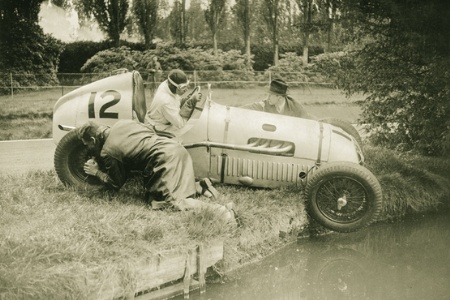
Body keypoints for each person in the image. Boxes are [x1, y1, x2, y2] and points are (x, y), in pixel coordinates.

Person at [78, 119, 236, 224]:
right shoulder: (122, 123)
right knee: (162, 192)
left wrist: (96, 172)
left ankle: (222, 212)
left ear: (93, 140)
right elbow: (147, 131)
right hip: (176, 149)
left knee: (169, 203)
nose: (88, 149)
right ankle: (200, 186)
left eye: (87, 145)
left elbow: (115, 183)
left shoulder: (108, 151)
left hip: (164, 160)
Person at [144, 69, 200, 135]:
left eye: (186, 85)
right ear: (176, 87)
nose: (187, 89)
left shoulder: (166, 85)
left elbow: (176, 101)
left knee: (195, 124)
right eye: (183, 87)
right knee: (192, 132)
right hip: (157, 129)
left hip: (161, 122)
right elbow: (181, 124)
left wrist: (187, 99)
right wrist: (190, 103)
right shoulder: (166, 101)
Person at [241, 78, 317, 120]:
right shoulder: (265, 104)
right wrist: (230, 110)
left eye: (271, 95)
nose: (268, 97)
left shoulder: (295, 107)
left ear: (279, 98)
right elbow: (252, 107)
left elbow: (308, 119)